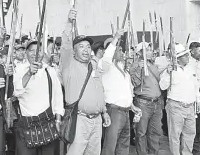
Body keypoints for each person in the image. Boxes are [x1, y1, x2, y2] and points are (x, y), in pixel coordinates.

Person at [59, 8, 111, 155]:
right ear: (74, 51)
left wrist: (104, 111)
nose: (86, 50)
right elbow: (65, 45)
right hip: (79, 120)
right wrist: (69, 23)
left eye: (88, 46)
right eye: (81, 46)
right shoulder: (69, 64)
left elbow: (99, 89)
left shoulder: (93, 65)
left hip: (97, 120)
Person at [13, 40, 64, 155]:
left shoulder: (50, 71)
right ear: (26, 53)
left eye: (38, 50)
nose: (35, 53)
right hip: (26, 125)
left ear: (43, 53)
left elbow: (58, 97)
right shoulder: (19, 70)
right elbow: (16, 92)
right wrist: (29, 73)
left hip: (48, 123)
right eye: (31, 50)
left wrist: (58, 119)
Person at [101, 29, 141, 155]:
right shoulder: (105, 67)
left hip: (125, 111)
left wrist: (132, 106)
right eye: (119, 49)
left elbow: (126, 90)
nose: (122, 52)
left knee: (124, 146)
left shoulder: (123, 69)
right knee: (110, 146)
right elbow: (107, 57)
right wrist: (115, 39)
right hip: (114, 111)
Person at [159, 43, 200, 155]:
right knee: (175, 135)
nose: (188, 57)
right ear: (178, 58)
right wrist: (168, 73)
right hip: (175, 106)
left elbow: (195, 85)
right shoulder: (170, 70)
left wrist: (198, 100)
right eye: (185, 55)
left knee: (190, 133)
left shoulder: (190, 68)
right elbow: (163, 86)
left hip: (190, 106)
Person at [129, 41, 163, 155]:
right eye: (147, 50)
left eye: (150, 49)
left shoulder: (153, 64)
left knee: (155, 132)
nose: (151, 51)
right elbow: (134, 83)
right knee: (141, 133)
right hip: (142, 103)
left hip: (157, 103)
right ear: (139, 53)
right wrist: (140, 68)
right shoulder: (135, 65)